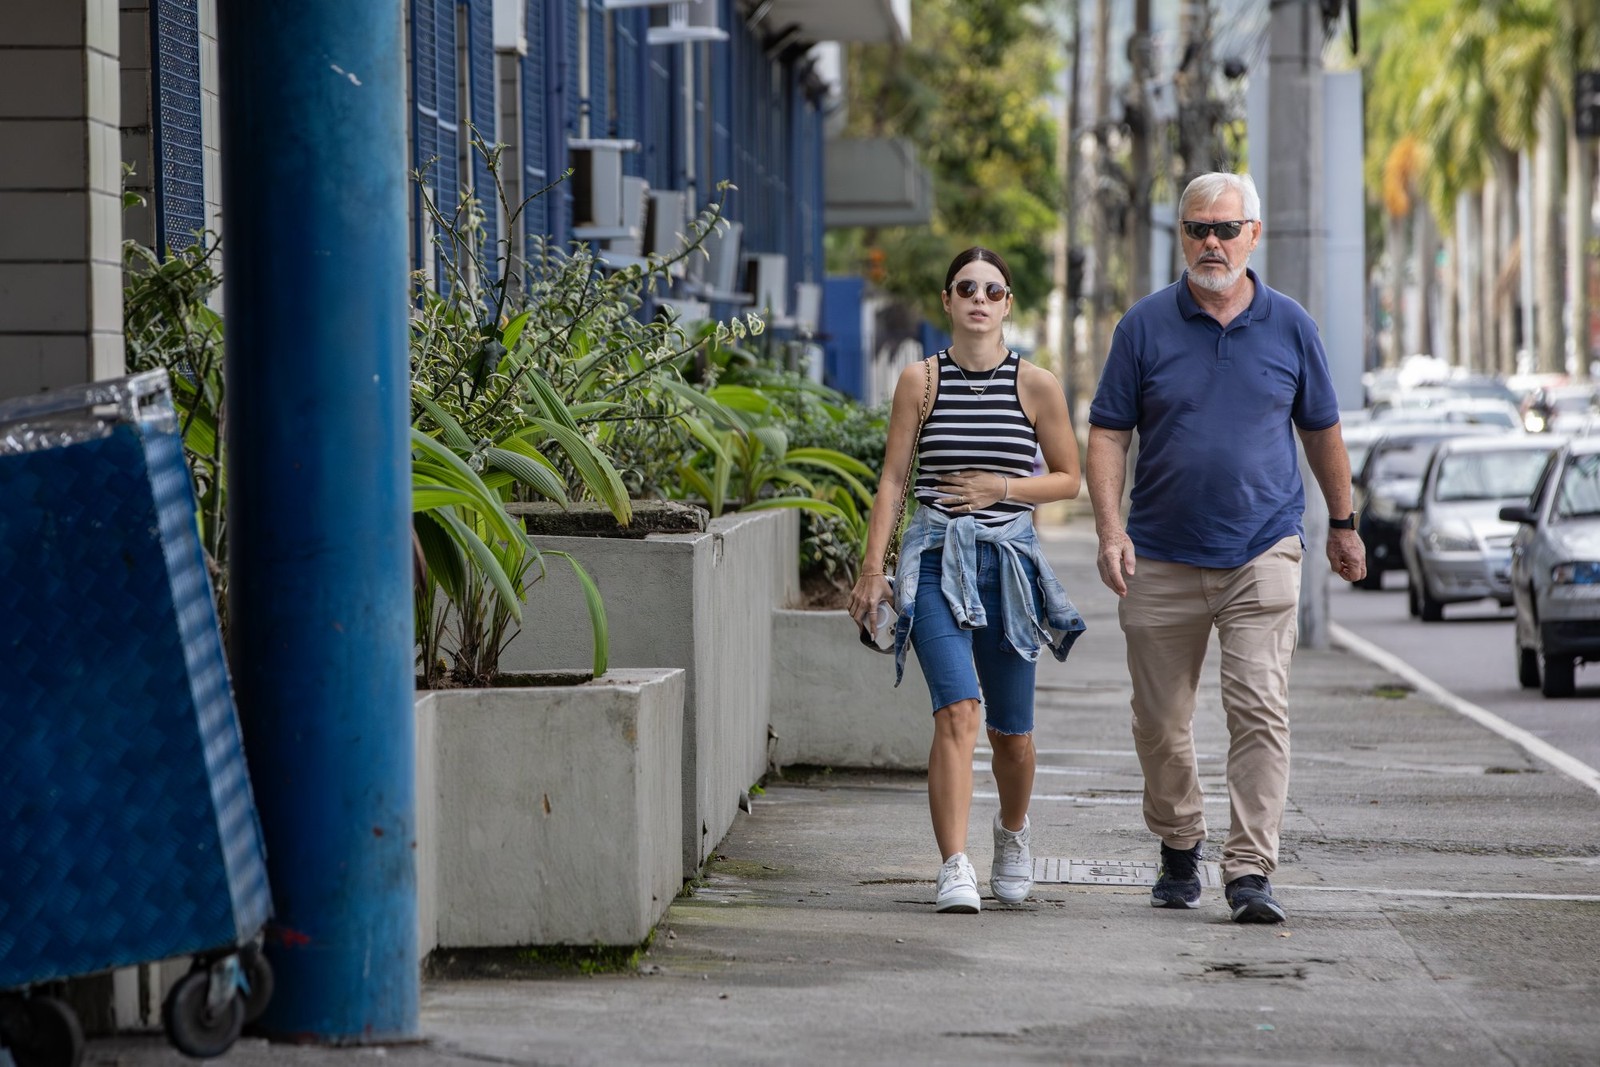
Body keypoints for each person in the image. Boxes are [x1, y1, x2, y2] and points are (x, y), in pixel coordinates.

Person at [1084, 172, 1366, 925]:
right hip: (1160, 554)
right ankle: (1181, 843)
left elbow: (1322, 430)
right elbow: (1109, 432)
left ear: (1254, 234)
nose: (1213, 242)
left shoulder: (1291, 325)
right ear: (1181, 236)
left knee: (1260, 709)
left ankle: (1249, 870)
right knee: (1159, 720)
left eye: (1227, 228)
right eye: (1198, 229)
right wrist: (1110, 529)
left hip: (1261, 550)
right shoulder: (1142, 327)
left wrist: (1343, 522)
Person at [849, 246, 1086, 914]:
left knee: (1012, 732)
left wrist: (1001, 487)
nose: (979, 299)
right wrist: (873, 568)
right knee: (957, 711)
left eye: (992, 289)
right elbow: (893, 480)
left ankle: (1011, 834)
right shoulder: (919, 382)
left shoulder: (1035, 385)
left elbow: (1069, 475)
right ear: (948, 301)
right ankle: (954, 864)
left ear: (1007, 303)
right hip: (932, 557)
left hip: (1009, 563)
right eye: (965, 288)